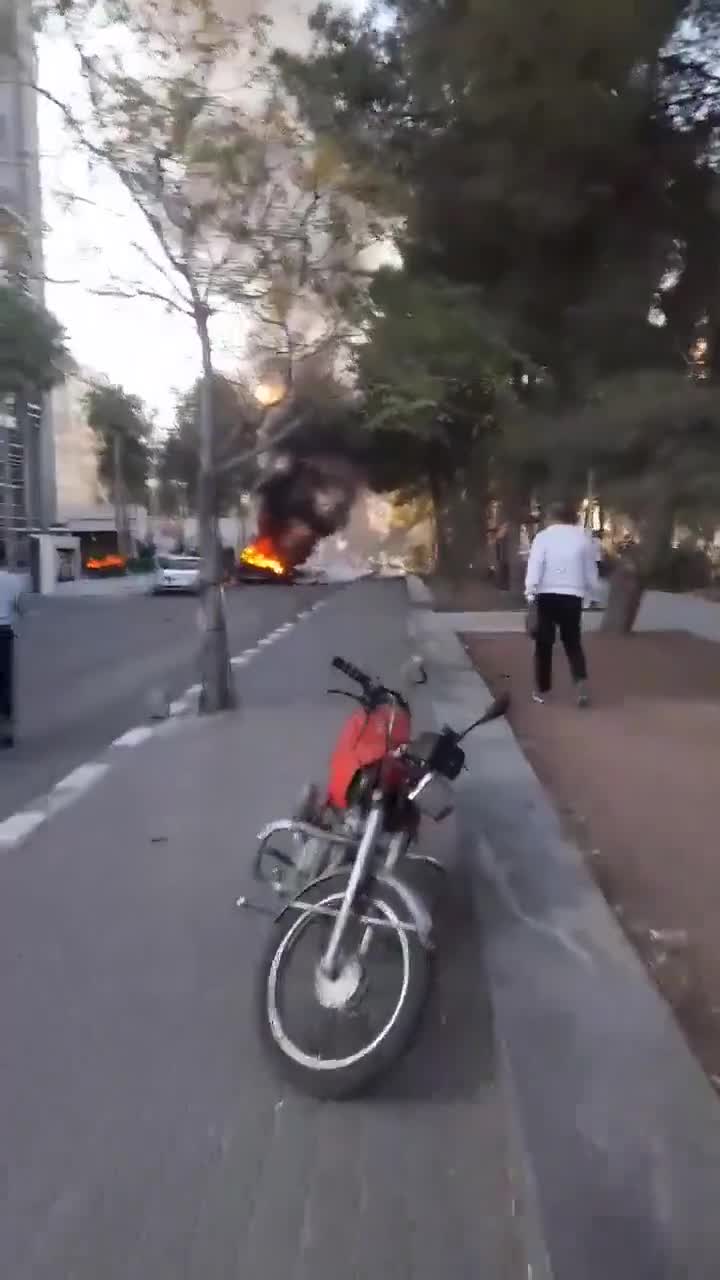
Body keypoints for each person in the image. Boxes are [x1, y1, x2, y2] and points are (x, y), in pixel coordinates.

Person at [525, 501, 599, 707]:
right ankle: (580, 683)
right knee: (572, 642)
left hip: (546, 595)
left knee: (544, 644)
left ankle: (542, 690)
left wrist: (530, 593)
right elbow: (591, 572)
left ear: (551, 516)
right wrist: (590, 594)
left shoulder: (543, 537)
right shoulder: (584, 538)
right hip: (572, 596)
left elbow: (535, 566)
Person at [0, 545, 24, 747]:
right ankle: (6, 733)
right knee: (5, 684)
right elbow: (20, 607)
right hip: (4, 633)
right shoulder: (13, 580)